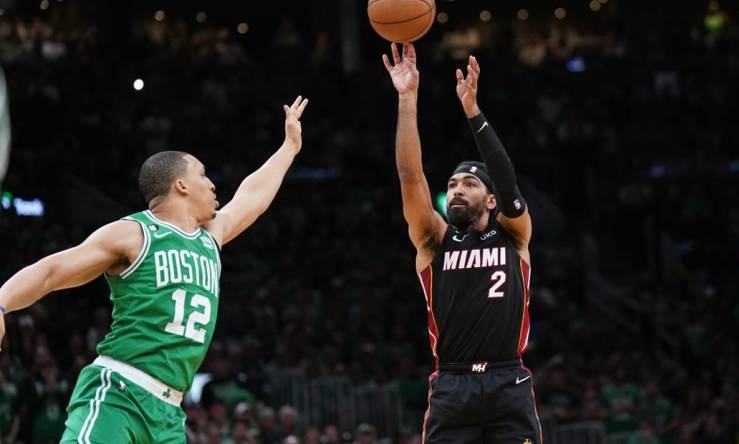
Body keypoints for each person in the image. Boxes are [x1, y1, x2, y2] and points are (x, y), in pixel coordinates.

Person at [0, 96, 309, 443]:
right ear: (181, 185)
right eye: (203, 175)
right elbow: (52, 270)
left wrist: (289, 148)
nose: (212, 185)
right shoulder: (135, 233)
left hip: (169, 413)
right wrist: (2, 302)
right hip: (119, 393)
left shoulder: (210, 236)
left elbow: (252, 196)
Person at [383, 42, 541, 443]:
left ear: (490, 201)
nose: (456, 190)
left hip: (508, 379)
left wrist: (473, 111)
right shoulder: (435, 240)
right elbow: (410, 176)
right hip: (452, 384)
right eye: (452, 184)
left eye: (468, 184)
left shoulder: (513, 234)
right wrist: (407, 98)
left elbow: (507, 182)